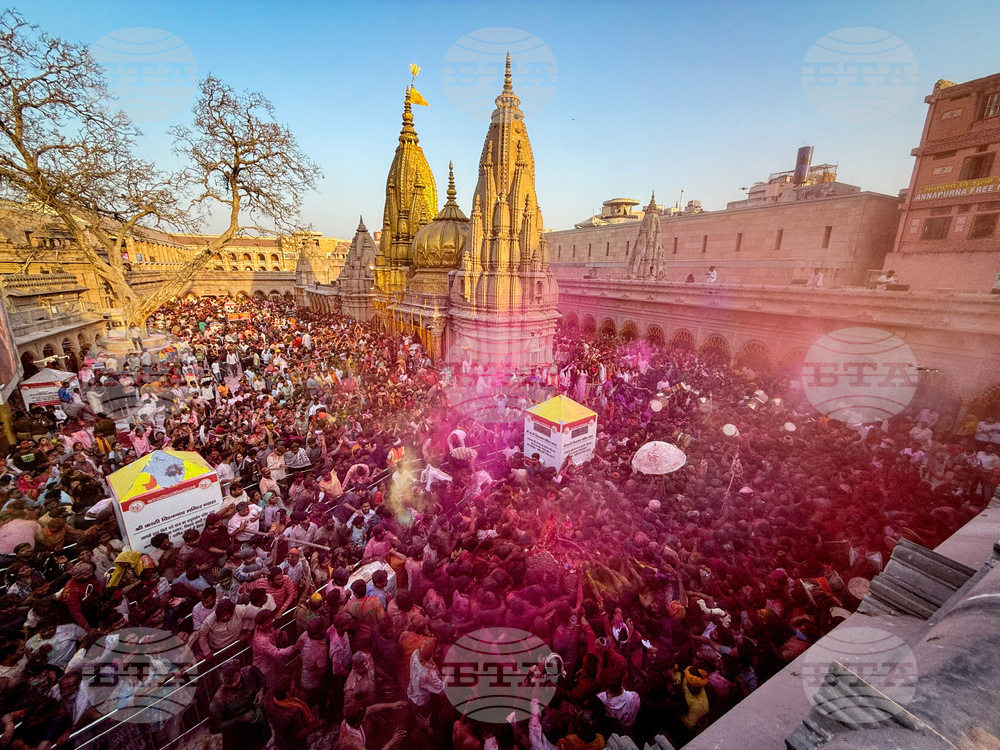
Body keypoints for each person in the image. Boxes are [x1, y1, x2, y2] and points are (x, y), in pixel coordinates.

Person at [209, 663, 271, 750]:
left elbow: (261, 678)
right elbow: (216, 726)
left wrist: (261, 691)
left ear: (240, 672)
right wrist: (240, 719)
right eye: (229, 683)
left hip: (256, 719)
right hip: (238, 731)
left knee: (262, 740)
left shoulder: (249, 671)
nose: (234, 684)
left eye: (236, 679)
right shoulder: (219, 698)